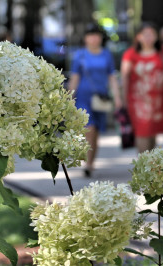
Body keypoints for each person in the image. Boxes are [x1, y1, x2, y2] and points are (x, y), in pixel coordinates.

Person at [68, 24, 122, 177]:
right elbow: (75, 77)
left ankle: (90, 162)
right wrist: (69, 97)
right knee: (89, 128)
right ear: (85, 38)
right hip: (84, 97)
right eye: (90, 35)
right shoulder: (80, 55)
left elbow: (112, 77)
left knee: (96, 131)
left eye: (96, 35)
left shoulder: (106, 55)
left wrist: (117, 97)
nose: (93, 38)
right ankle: (87, 161)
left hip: (101, 98)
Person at [120, 22, 163, 153]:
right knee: (142, 132)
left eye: (151, 34)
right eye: (145, 34)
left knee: (153, 132)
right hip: (138, 100)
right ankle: (143, 164)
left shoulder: (162, 52)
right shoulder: (130, 54)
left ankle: (151, 165)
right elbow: (124, 76)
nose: (148, 37)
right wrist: (122, 99)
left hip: (157, 99)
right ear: (138, 37)